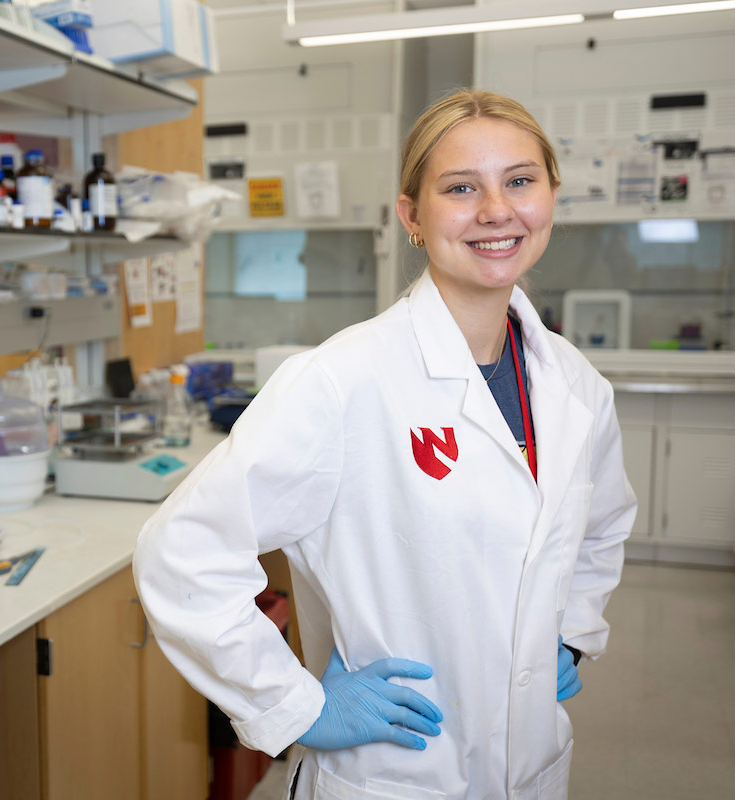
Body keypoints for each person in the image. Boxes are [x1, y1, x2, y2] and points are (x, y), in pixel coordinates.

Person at [133, 89, 637, 799]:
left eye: (520, 181)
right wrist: (299, 705)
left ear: (551, 195)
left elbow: (603, 525)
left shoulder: (576, 387)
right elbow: (182, 551)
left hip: (531, 765)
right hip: (394, 769)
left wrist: (574, 630)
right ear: (413, 217)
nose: (497, 210)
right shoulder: (343, 380)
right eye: (461, 188)